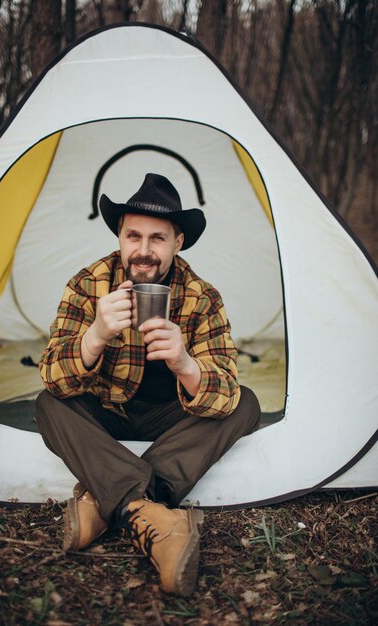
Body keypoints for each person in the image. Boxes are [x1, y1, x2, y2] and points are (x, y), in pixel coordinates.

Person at [35, 173, 261, 596]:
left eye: (157, 238)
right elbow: (52, 373)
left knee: (245, 404)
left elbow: (227, 390)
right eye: (132, 235)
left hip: (168, 419)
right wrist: (95, 335)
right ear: (119, 237)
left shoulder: (202, 296)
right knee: (49, 403)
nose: (142, 250)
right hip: (107, 414)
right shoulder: (89, 284)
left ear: (178, 242)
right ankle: (152, 513)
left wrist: (185, 364)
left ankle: (110, 505)